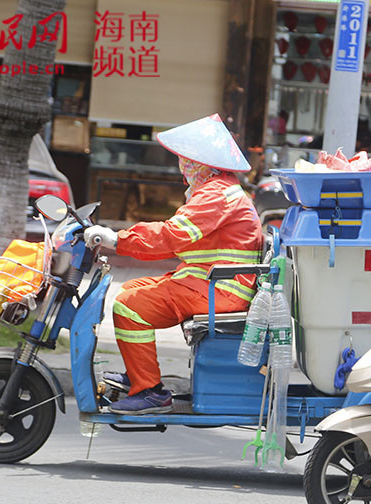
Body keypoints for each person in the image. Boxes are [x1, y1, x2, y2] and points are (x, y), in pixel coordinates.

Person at [84, 114, 263, 415]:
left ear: (202, 161)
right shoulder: (217, 190)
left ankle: (151, 393)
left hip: (220, 288)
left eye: (186, 158)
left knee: (130, 304)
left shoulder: (217, 194)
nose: (183, 165)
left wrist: (117, 240)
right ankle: (139, 375)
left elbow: (171, 237)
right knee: (132, 289)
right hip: (212, 282)